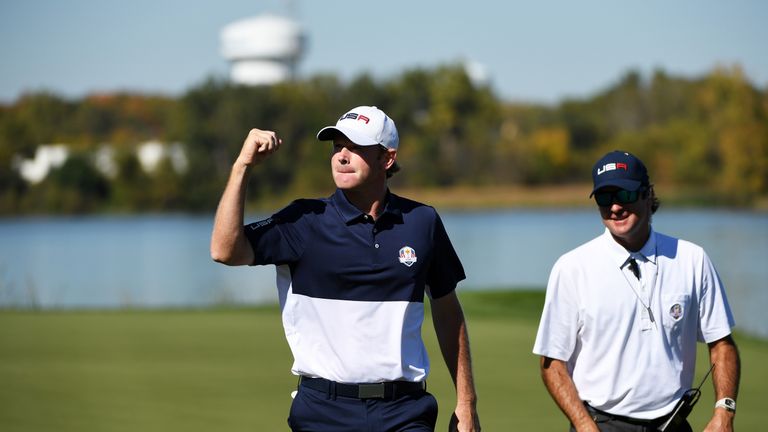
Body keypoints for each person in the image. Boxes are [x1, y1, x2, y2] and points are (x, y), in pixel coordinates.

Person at [210, 105, 480, 431]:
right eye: (338, 147)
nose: (342, 156)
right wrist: (243, 166)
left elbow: (448, 311)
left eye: (355, 148)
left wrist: (466, 403)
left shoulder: (422, 222)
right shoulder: (304, 220)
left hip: (404, 412)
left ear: (387, 158)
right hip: (324, 412)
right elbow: (224, 250)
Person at [532, 150, 741, 432]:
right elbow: (552, 362)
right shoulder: (572, 268)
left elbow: (722, 345)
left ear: (647, 194)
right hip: (600, 424)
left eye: (624, 195)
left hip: (673, 423)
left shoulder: (692, 259)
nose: (615, 207)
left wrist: (724, 411)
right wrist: (583, 425)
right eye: (605, 199)